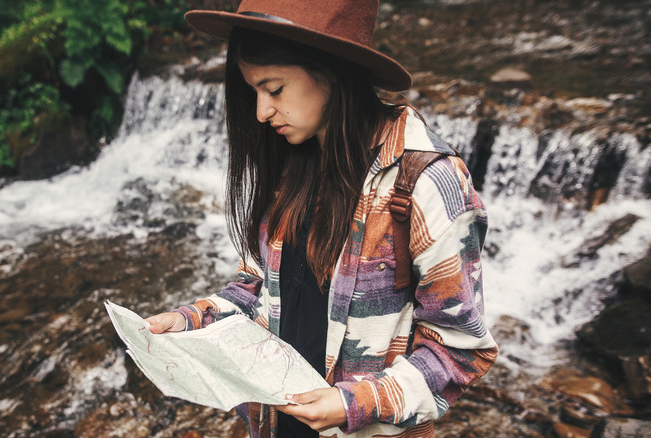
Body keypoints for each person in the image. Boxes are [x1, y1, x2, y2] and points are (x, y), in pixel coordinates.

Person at [145, 0, 498, 436]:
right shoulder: (289, 161)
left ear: (331, 71)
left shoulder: (426, 182)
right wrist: (190, 320)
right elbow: (257, 287)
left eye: (274, 90)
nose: (260, 112)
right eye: (253, 91)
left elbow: (461, 350)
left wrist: (352, 403)